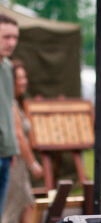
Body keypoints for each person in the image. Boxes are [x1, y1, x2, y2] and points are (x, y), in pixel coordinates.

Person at [2, 60, 44, 223]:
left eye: (25, 77)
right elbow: (19, 136)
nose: (24, 81)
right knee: (10, 212)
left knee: (27, 206)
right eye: (20, 78)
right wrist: (33, 163)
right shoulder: (10, 105)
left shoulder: (15, 104)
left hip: (20, 166)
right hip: (14, 165)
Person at [0, 14, 20, 217]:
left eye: (15, 37)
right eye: (6, 37)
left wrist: (11, 145)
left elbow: (7, 107)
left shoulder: (7, 67)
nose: (12, 42)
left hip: (6, 152)